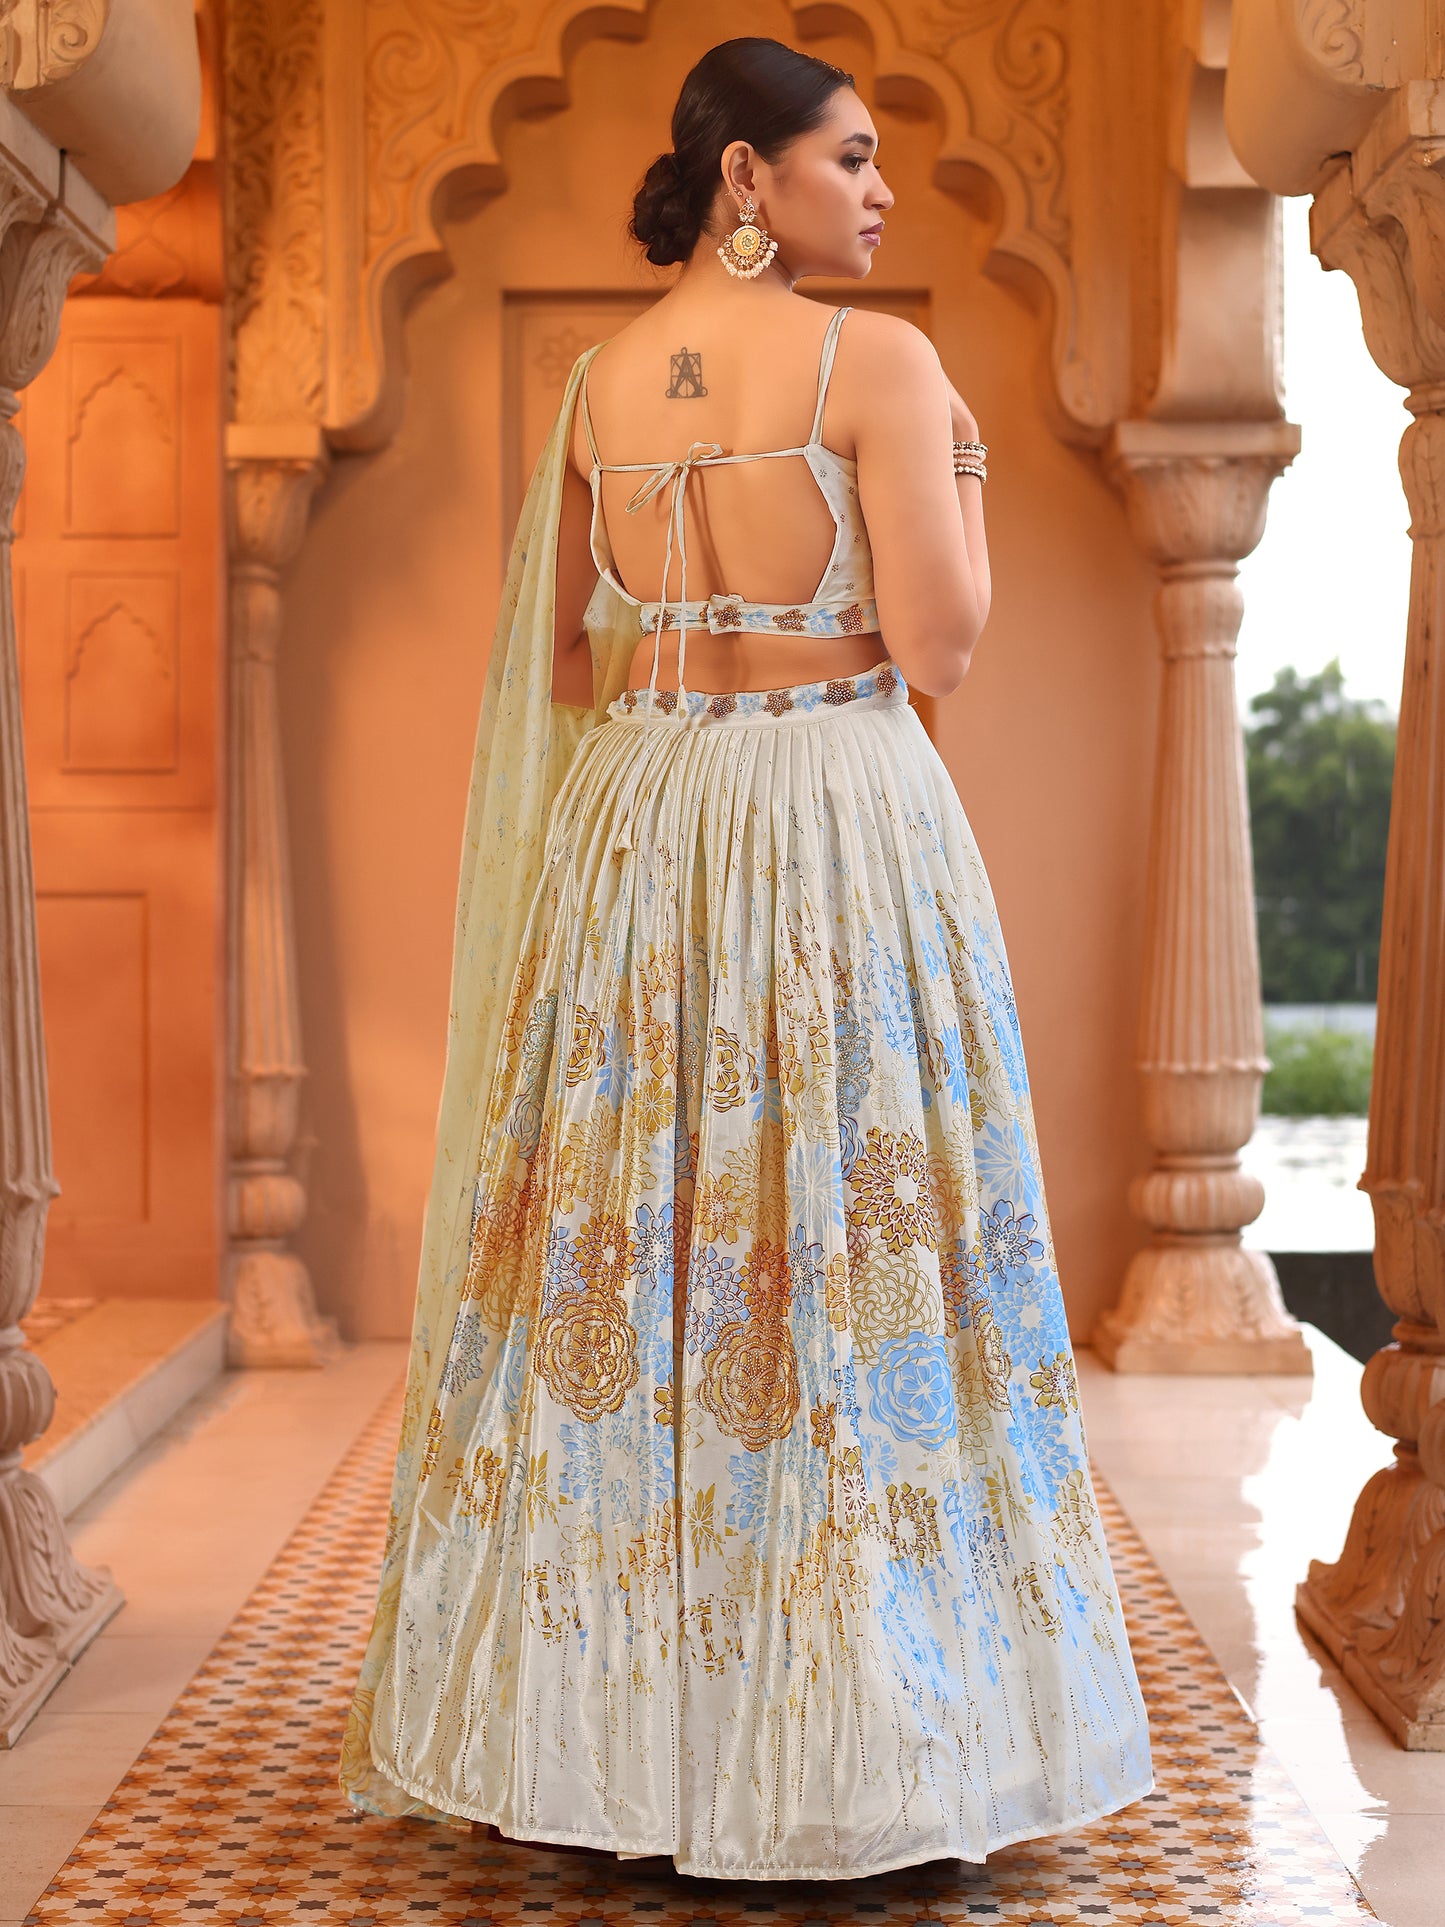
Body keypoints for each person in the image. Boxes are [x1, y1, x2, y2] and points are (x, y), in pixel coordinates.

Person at [339, 35, 1153, 1882]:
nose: (879, 190)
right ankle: (869, 1732)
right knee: (843, 1234)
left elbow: (564, 656)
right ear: (744, 176)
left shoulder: (596, 382)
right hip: (830, 811)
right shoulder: (883, 365)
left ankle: (609, 1747)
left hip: (641, 816)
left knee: (644, 1238)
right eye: (849, 157)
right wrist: (966, 478)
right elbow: (938, 648)